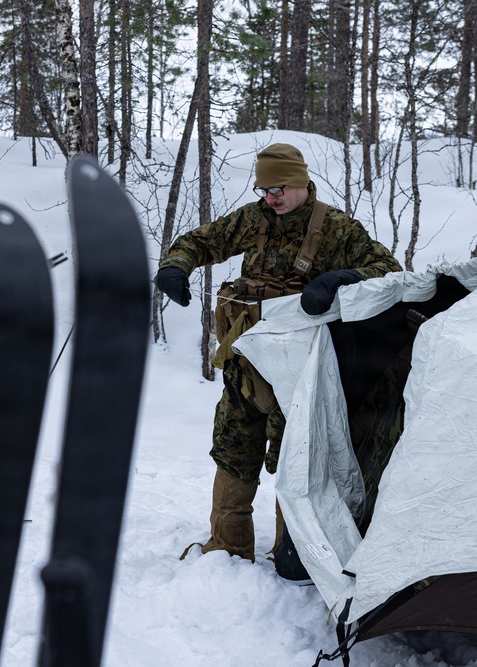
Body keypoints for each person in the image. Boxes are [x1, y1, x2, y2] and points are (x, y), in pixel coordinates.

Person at [154, 143, 401, 579]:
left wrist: (342, 277)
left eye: (279, 188)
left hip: (301, 371)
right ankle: (227, 550)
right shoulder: (253, 220)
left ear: (302, 182)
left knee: (299, 459)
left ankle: (298, 552)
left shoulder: (338, 228)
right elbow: (200, 241)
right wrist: (177, 266)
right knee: (233, 449)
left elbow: (388, 269)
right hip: (245, 363)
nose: (271, 197)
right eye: (264, 189)